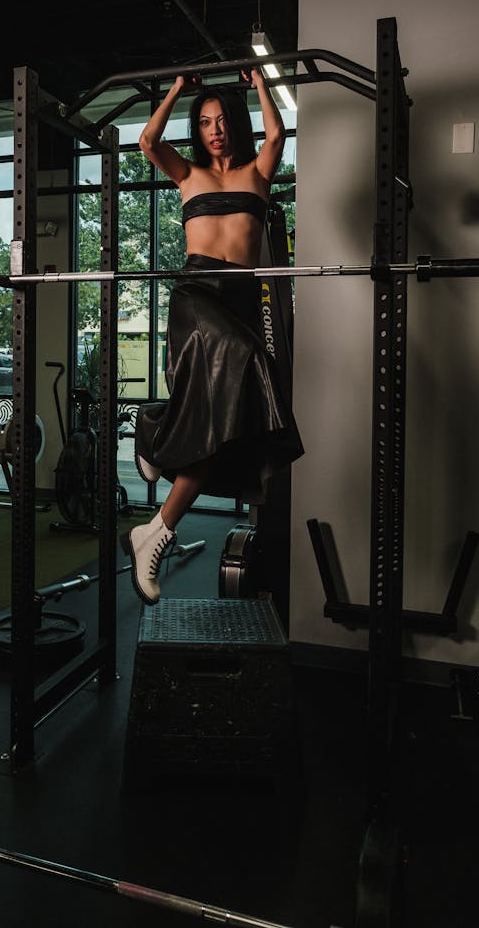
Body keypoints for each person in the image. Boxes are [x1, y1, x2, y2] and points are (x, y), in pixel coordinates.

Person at [120, 69, 304, 605]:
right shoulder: (187, 176)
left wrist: (259, 86)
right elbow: (148, 141)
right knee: (247, 364)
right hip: (198, 296)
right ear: (196, 131)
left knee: (223, 424)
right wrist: (176, 88)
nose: (214, 130)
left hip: (240, 300)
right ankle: (157, 438)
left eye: (222, 121)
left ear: (235, 124)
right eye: (204, 123)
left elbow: (277, 136)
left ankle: (156, 514)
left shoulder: (257, 174)